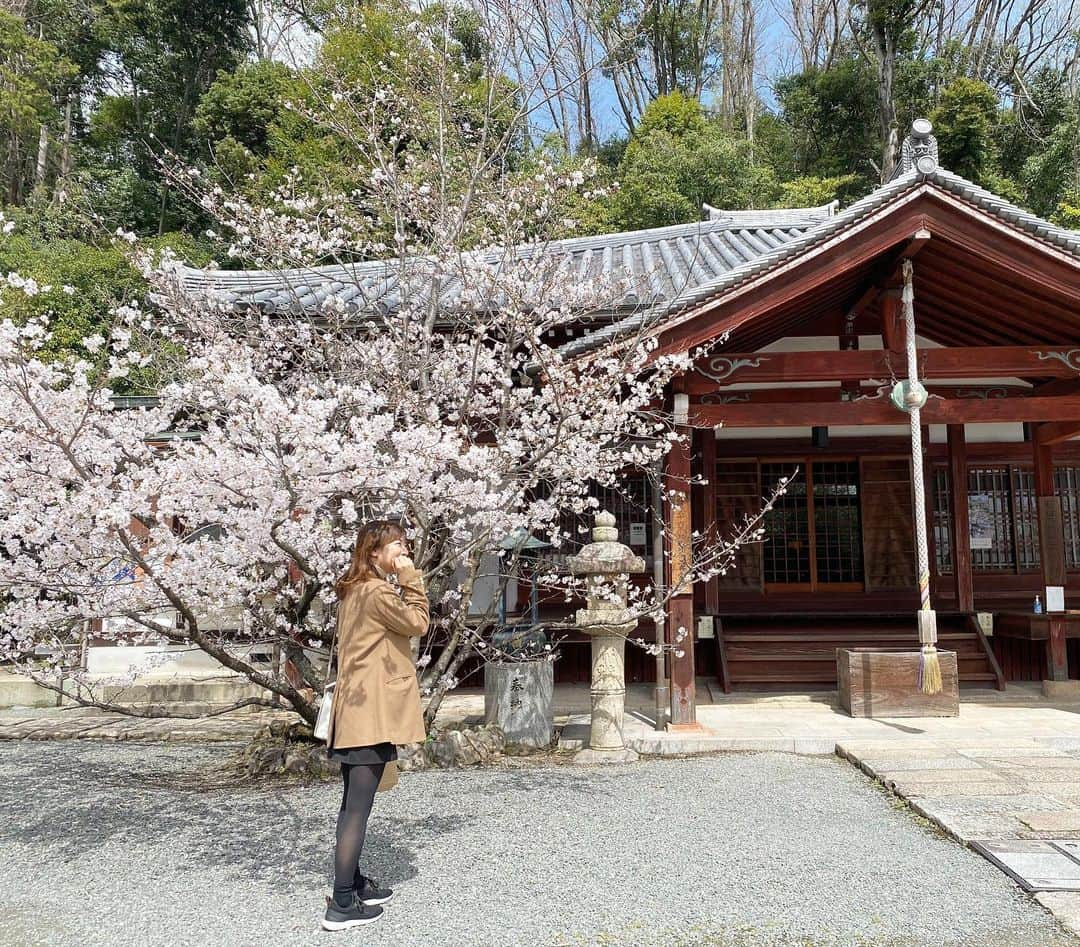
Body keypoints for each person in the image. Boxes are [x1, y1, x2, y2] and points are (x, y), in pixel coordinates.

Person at [322, 519, 429, 932]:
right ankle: (343, 904)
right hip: (369, 718)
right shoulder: (377, 590)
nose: (403, 552)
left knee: (352, 804)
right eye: (396, 547)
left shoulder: (355, 591)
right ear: (373, 553)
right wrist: (410, 576)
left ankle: (353, 883)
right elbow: (418, 622)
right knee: (357, 810)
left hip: (357, 712)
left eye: (405, 546)